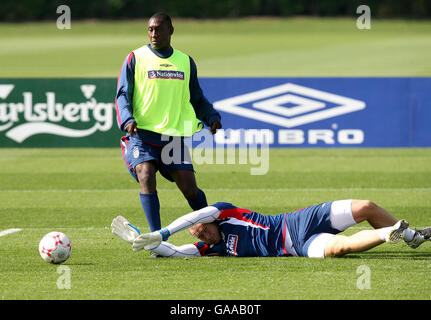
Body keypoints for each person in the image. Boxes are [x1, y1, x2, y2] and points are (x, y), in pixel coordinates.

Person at [115, 13, 222, 232]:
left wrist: (211, 117)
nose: (153, 34)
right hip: (142, 135)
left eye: (158, 29)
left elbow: (197, 97)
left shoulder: (184, 61)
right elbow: (123, 94)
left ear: (171, 31)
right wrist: (127, 118)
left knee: (190, 189)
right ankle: (156, 238)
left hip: (172, 138)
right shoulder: (135, 58)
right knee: (146, 175)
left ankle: (216, 232)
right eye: (150, 29)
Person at [111, 199, 431, 258]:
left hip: (299, 220)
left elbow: (193, 218)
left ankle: (412, 237)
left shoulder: (223, 213)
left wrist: (164, 231)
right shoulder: (213, 248)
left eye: (202, 230)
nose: (202, 235)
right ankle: (387, 233)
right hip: (297, 248)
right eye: (199, 236)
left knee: (365, 207)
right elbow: (175, 253)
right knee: (341, 248)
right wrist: (147, 241)